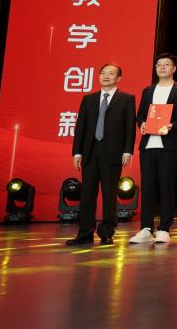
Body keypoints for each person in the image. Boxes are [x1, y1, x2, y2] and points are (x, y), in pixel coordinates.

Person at [66, 63, 136, 246]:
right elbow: (80, 127)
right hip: (90, 152)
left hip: (113, 152)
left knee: (109, 195)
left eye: (111, 74)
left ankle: (106, 233)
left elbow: (129, 127)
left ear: (118, 78)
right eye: (103, 73)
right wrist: (77, 152)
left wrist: (127, 150)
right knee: (87, 194)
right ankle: (85, 233)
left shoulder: (127, 99)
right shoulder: (88, 99)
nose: (106, 76)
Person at [129, 53, 177, 245]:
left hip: (169, 146)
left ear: (174, 68)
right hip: (148, 145)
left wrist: (172, 125)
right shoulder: (148, 90)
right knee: (148, 187)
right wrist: (141, 123)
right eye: (159, 64)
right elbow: (140, 114)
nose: (162, 67)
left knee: (167, 187)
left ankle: (164, 228)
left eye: (166, 64)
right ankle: (146, 228)